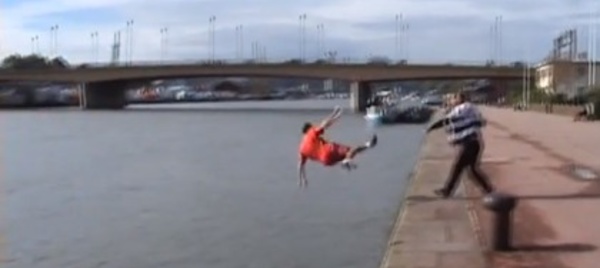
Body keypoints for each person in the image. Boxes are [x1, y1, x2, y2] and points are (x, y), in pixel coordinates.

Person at [425, 92, 494, 198]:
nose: (452, 101)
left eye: (453, 98)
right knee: (471, 169)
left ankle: (447, 191)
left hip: (468, 143)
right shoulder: (472, 108)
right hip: (475, 143)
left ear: (460, 99)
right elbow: (480, 121)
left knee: (458, 167)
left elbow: (447, 121)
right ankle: (488, 190)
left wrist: (431, 127)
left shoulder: (462, 108)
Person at [297, 106, 378, 187]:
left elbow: (300, 165)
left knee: (351, 152)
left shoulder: (301, 148)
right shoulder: (311, 132)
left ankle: (368, 145)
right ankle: (348, 159)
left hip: (327, 161)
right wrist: (335, 114)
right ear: (309, 128)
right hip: (329, 150)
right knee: (351, 150)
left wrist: (302, 179)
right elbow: (324, 124)